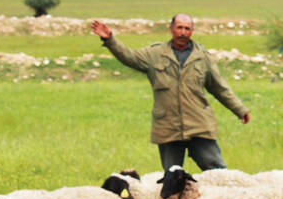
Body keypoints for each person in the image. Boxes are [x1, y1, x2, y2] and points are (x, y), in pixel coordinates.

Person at [91, 14, 249, 171]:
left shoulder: (202, 57)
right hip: (168, 126)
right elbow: (129, 57)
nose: (182, 32)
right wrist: (110, 40)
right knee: (172, 177)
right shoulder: (155, 54)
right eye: (179, 27)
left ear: (192, 31)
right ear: (171, 28)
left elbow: (219, 87)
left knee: (217, 171)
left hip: (198, 125)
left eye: (187, 29)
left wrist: (239, 109)